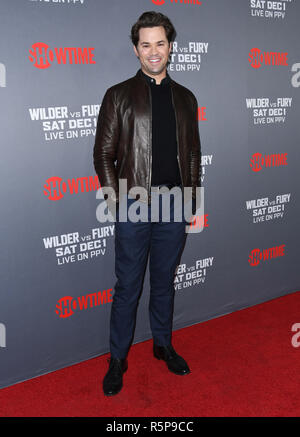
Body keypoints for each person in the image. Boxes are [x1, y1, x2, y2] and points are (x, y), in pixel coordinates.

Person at [93, 11, 201, 396]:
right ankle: (117, 359)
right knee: (127, 286)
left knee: (164, 282)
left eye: (160, 43)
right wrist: (116, 202)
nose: (153, 51)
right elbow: (103, 154)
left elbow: (192, 156)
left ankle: (163, 345)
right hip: (134, 205)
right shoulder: (118, 95)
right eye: (145, 44)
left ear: (170, 46)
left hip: (174, 205)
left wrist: (190, 200)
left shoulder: (186, 98)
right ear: (135, 49)